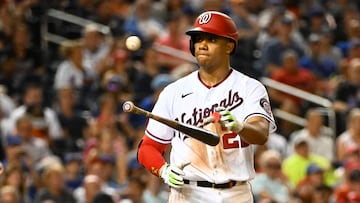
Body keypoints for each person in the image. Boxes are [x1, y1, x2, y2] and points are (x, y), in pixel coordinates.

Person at [137, 11, 276, 203]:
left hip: (235, 193)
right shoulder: (173, 92)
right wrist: (163, 170)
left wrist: (241, 127)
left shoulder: (249, 87)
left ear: (229, 45)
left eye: (211, 39)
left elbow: (261, 133)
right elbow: (148, 147)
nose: (202, 44)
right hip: (188, 193)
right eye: (198, 38)